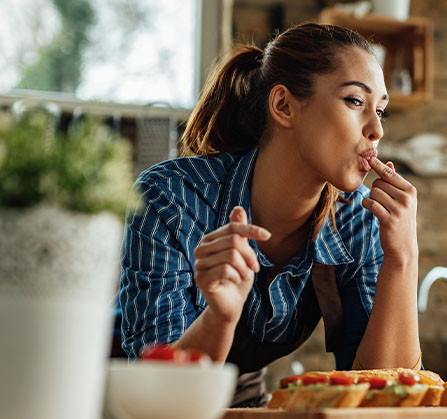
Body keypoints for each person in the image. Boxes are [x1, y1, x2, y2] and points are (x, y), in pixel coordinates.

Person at [117, 22, 421, 407]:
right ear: (284, 106)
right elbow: (158, 397)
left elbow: (385, 396)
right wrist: (219, 317)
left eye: (381, 111)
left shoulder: (359, 220)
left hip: (243, 400)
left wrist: (403, 257)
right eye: (355, 101)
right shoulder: (171, 197)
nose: (376, 129)